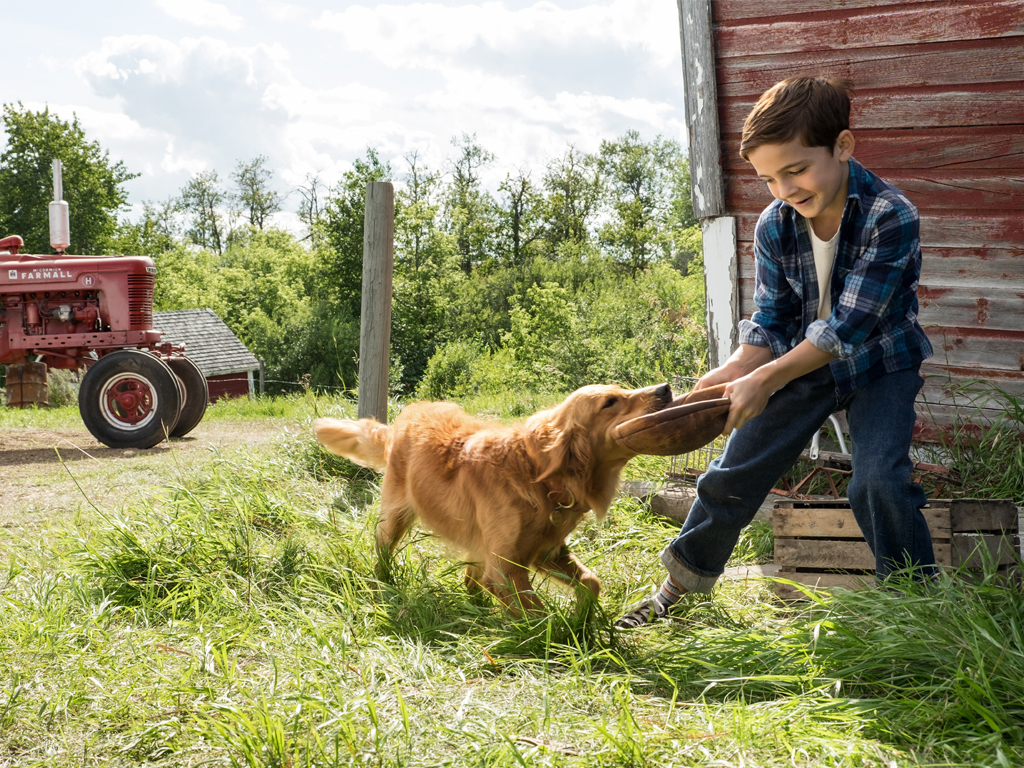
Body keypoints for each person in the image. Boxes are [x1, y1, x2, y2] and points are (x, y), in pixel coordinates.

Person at [616, 76, 937, 629]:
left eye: (796, 169)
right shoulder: (774, 224)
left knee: (878, 481)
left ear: (842, 146)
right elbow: (770, 323)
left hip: (881, 362)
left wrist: (764, 381)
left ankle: (916, 607)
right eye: (769, 178)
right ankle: (679, 590)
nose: (785, 188)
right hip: (803, 365)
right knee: (730, 473)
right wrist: (733, 372)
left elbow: (847, 330)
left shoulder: (891, 215)